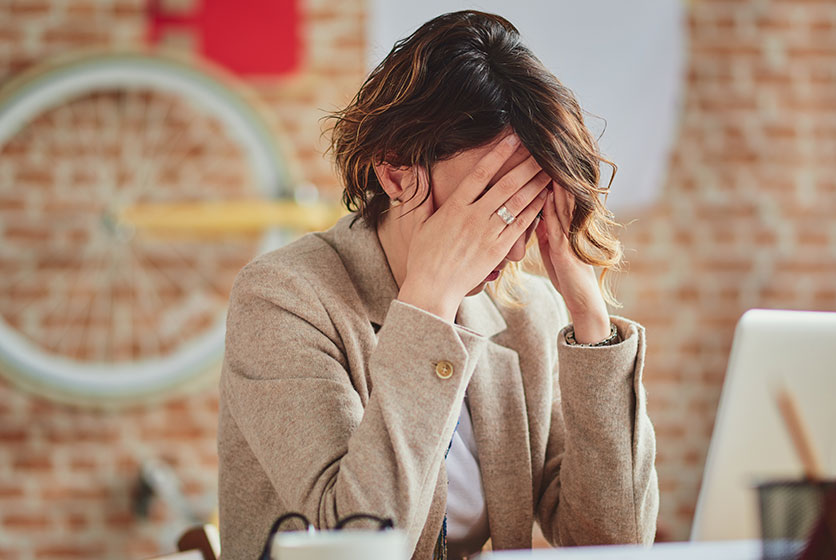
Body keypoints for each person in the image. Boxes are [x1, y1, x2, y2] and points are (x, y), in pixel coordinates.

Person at [217, 10, 658, 560]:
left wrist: (589, 315)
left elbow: (614, 545)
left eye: (528, 206)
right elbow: (358, 542)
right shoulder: (284, 299)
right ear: (397, 173)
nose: (515, 248)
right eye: (492, 202)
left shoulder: (525, 312)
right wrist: (426, 308)